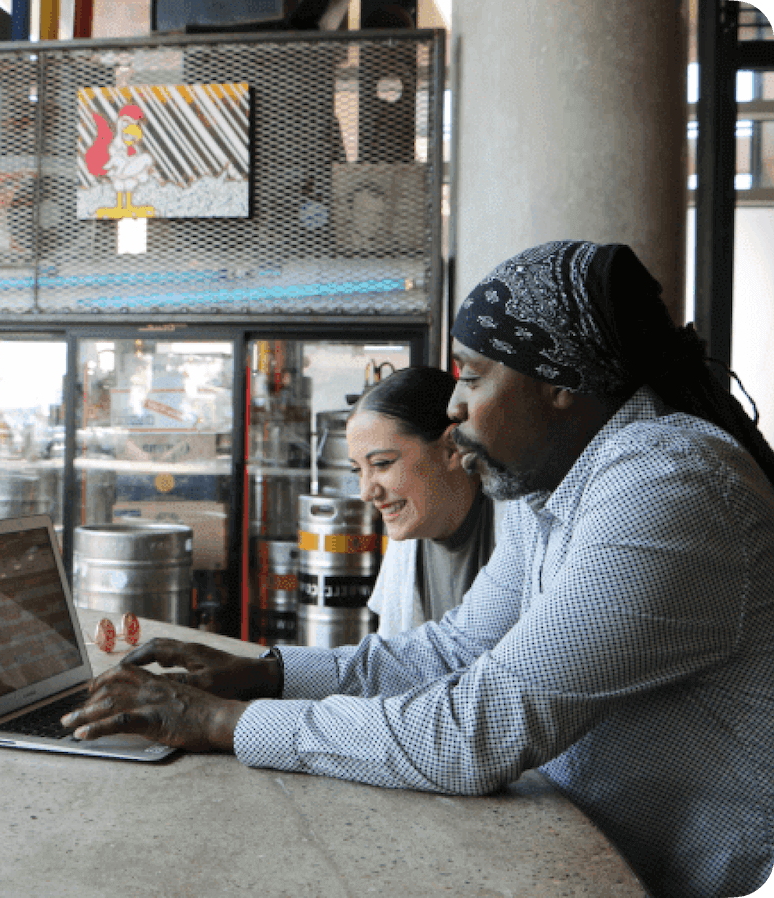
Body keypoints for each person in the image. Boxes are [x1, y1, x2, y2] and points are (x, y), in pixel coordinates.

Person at [62, 240, 774, 898]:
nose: (455, 405)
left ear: (559, 383)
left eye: (472, 376)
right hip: (584, 853)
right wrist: (266, 671)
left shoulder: (670, 487)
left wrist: (219, 720)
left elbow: (476, 733)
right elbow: (455, 651)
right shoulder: (549, 481)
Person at [346, 366, 494, 636]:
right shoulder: (408, 537)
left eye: (382, 464)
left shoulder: (518, 528)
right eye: (357, 470)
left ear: (452, 447)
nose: (366, 492)